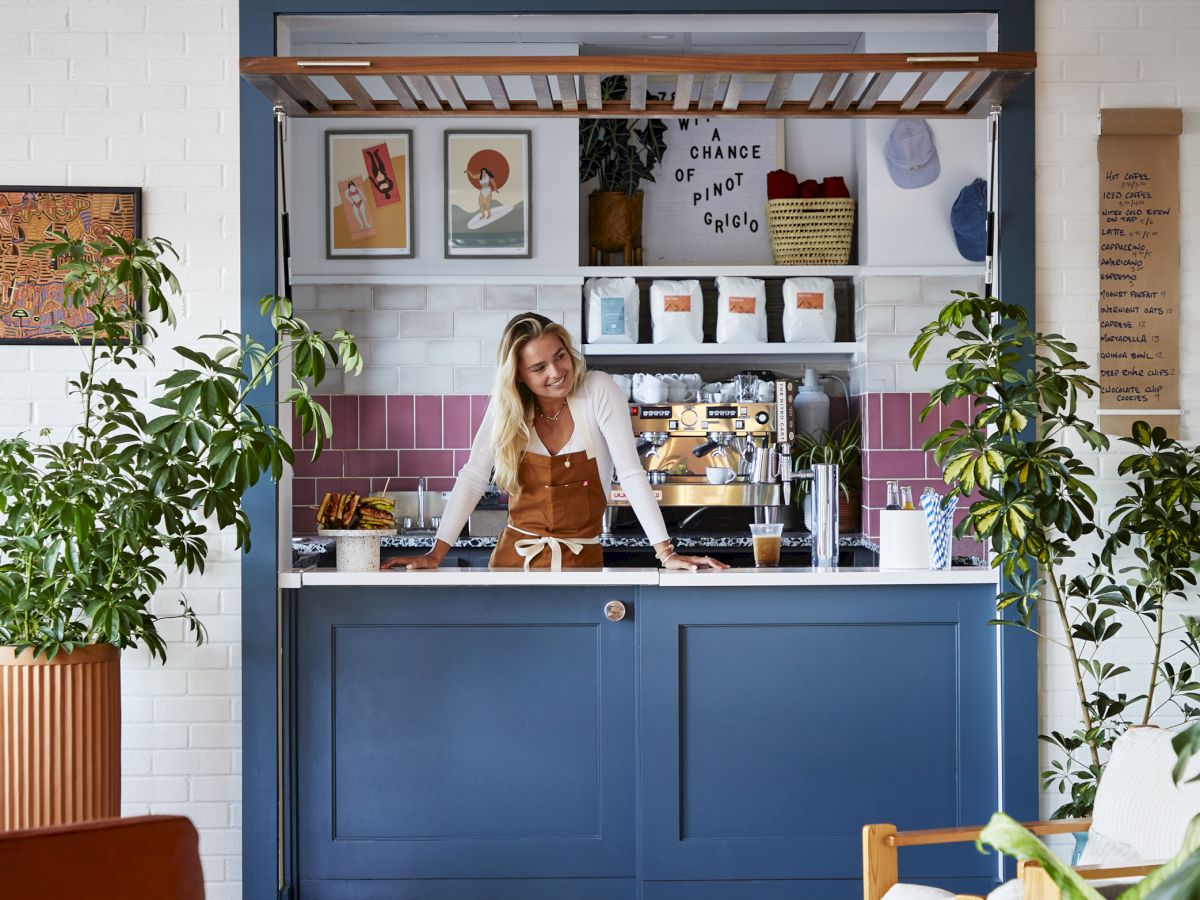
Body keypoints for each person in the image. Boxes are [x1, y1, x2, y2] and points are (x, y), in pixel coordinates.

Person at [383, 313, 727, 572]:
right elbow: (473, 476)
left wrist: (665, 553)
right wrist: (436, 554)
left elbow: (630, 473)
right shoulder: (508, 409)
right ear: (519, 376)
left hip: (581, 565)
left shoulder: (598, 390)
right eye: (539, 368)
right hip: (512, 566)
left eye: (560, 356)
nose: (556, 372)